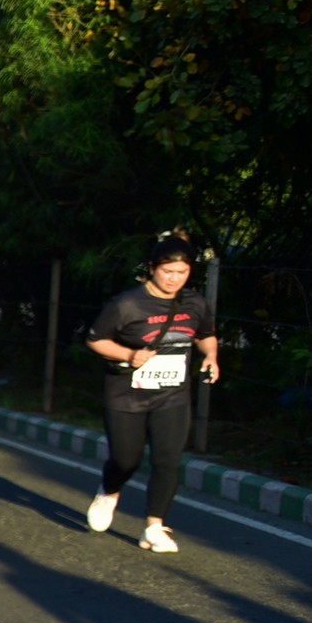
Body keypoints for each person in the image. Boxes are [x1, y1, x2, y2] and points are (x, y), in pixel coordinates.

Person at [85, 235, 221, 554]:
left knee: (168, 458)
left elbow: (206, 334)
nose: (174, 279)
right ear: (152, 268)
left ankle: (154, 526)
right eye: (167, 271)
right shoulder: (126, 304)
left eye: (182, 272)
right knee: (125, 458)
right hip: (126, 395)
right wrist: (130, 355)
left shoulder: (195, 303)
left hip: (172, 395)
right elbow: (95, 339)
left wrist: (211, 356)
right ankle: (109, 490)